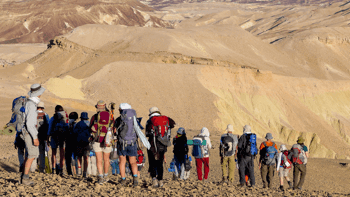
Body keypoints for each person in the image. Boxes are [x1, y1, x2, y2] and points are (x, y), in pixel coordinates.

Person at [20, 84, 46, 185]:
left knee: (29, 155)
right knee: (32, 155)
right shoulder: (31, 105)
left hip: (27, 132)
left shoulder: (29, 103)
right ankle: (25, 178)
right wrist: (35, 137)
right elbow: (30, 124)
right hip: (29, 133)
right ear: (38, 94)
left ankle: (23, 177)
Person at [146, 107, 175, 188]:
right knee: (160, 162)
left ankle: (154, 180)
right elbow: (172, 125)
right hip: (163, 144)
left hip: (152, 144)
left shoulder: (150, 120)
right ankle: (160, 180)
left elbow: (147, 133)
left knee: (152, 162)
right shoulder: (166, 119)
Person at [114, 103, 141, 186]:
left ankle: (123, 179)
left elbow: (115, 131)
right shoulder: (134, 119)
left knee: (122, 161)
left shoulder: (119, 119)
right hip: (132, 143)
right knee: (133, 162)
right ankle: (135, 179)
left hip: (122, 143)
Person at [90, 100, 114, 184]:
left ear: (97, 107)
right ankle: (106, 175)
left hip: (97, 140)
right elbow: (113, 128)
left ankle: (100, 177)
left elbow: (91, 128)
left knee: (99, 159)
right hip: (108, 140)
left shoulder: (95, 117)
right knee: (106, 159)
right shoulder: (111, 116)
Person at [47, 105, 68, 176]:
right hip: (62, 137)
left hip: (54, 136)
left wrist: (47, 138)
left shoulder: (53, 118)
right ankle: (61, 169)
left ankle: (53, 169)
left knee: (53, 153)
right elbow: (67, 127)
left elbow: (49, 129)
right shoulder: (65, 118)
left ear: (55, 110)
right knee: (62, 153)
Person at [74, 112, 90, 178]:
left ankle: (79, 171)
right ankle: (85, 172)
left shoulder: (78, 124)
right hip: (86, 142)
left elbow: (74, 132)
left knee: (79, 157)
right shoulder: (89, 124)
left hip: (79, 142)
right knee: (86, 158)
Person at [35, 101, 50, 173]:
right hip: (42, 136)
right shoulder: (45, 114)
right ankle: (42, 168)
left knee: (34, 152)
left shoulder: (33, 113)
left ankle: (33, 168)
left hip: (34, 135)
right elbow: (48, 125)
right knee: (42, 152)